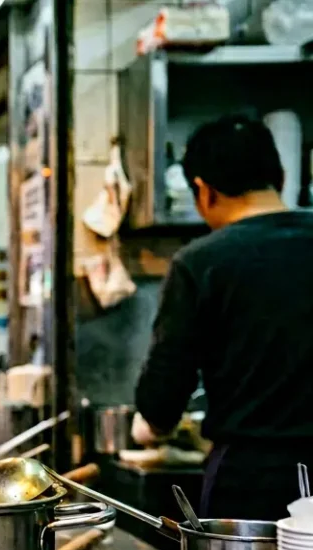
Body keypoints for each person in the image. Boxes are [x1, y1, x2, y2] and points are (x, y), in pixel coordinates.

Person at [132, 116, 313, 520]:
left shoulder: (203, 262)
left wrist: (151, 425)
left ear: (203, 189)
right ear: (278, 177)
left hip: (250, 485)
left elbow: (161, 398)